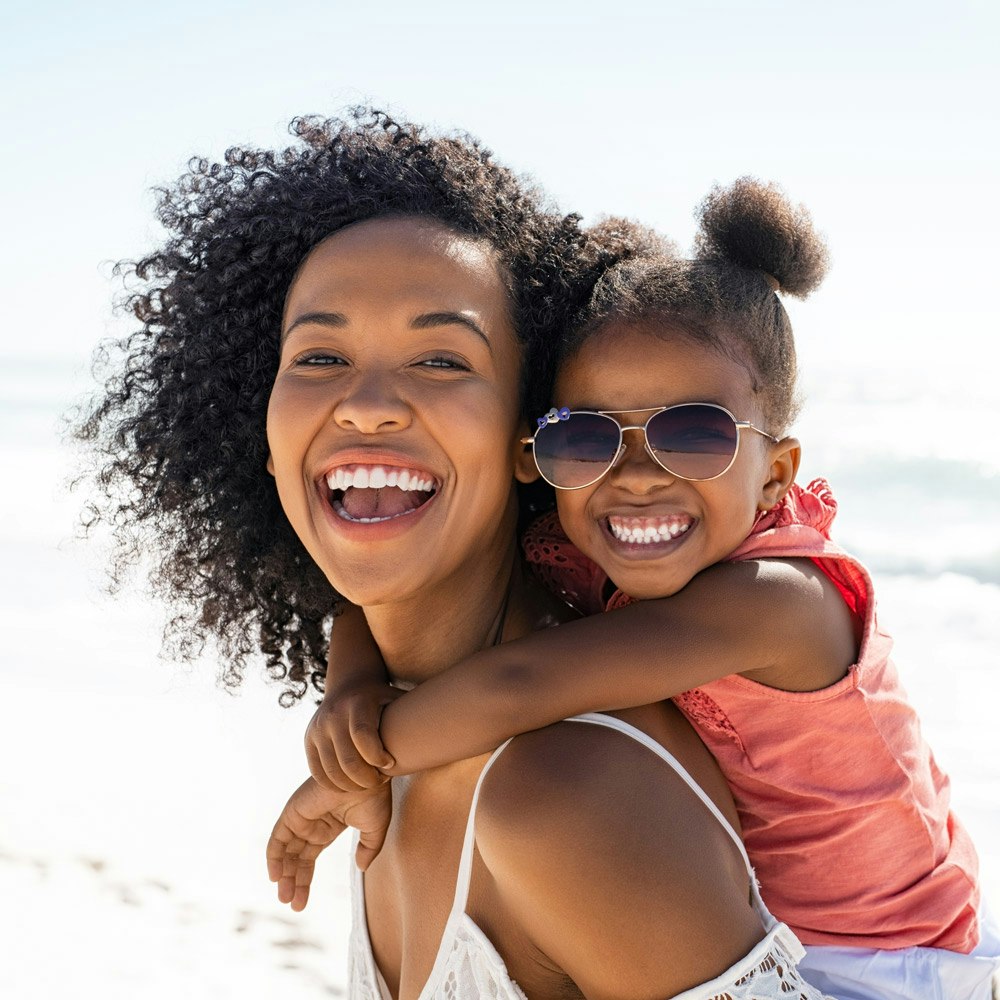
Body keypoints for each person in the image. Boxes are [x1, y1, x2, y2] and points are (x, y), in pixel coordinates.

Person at [77, 111, 831, 999]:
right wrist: (351, 702)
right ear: (266, 440)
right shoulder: (383, 740)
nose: (367, 404)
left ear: (531, 442)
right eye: (319, 355)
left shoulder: (562, 795)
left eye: (440, 358)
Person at [279, 179, 1000, 1000]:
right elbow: (381, 597)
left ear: (778, 475)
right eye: (586, 438)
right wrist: (351, 683)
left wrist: (347, 772)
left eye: (693, 434)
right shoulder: (605, 552)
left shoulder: (777, 600)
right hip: (780, 931)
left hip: (889, 960)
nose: (634, 476)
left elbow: (525, 681)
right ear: (539, 455)